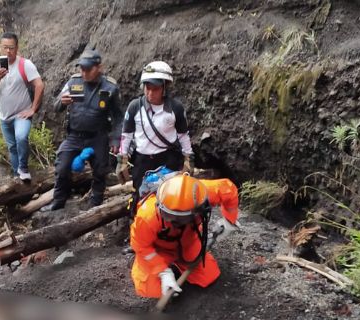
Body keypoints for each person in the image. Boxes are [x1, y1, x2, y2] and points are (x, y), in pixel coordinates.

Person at [130, 173, 239, 298]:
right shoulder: (147, 217)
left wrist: (229, 220)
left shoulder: (203, 194)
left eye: (180, 218)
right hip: (159, 249)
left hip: (189, 241)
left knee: (209, 276)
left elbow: (228, 190)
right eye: (170, 216)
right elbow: (141, 246)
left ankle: (177, 264)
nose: (174, 221)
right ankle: (155, 267)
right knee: (153, 291)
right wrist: (162, 271)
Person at [42, 49, 123, 211]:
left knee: (100, 170)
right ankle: (58, 201)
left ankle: (96, 202)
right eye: (81, 69)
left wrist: (115, 138)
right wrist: (62, 102)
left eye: (88, 69)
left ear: (99, 67)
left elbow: (118, 117)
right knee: (62, 167)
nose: (84, 72)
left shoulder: (110, 87)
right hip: (74, 136)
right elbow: (56, 105)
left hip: (98, 136)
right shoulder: (73, 82)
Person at [119, 61, 193, 216]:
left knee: (170, 197)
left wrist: (188, 159)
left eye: (155, 89)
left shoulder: (175, 109)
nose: (150, 93)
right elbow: (126, 135)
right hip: (142, 161)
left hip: (168, 159)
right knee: (140, 197)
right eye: (148, 88)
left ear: (164, 88)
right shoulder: (134, 107)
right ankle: (139, 229)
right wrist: (122, 160)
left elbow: (183, 135)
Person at [0, 32, 44, 181]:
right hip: (4, 115)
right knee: (12, 147)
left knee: (21, 137)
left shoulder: (25, 64)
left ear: (17, 48)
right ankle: (17, 176)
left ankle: (23, 168)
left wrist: (33, 109)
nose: (8, 51)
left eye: (11, 48)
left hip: (21, 113)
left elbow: (39, 85)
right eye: (5, 48)